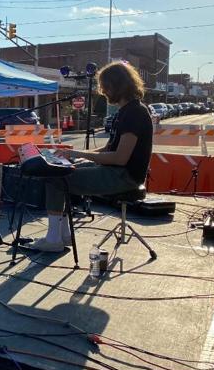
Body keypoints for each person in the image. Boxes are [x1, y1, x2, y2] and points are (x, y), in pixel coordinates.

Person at [33, 61, 153, 251]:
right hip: (116, 171)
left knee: (55, 177)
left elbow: (120, 158)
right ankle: (63, 236)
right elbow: (108, 149)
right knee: (64, 168)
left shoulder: (135, 113)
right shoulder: (125, 112)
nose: (102, 91)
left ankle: (54, 239)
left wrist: (79, 153)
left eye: (105, 86)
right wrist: (75, 157)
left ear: (117, 85)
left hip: (124, 176)